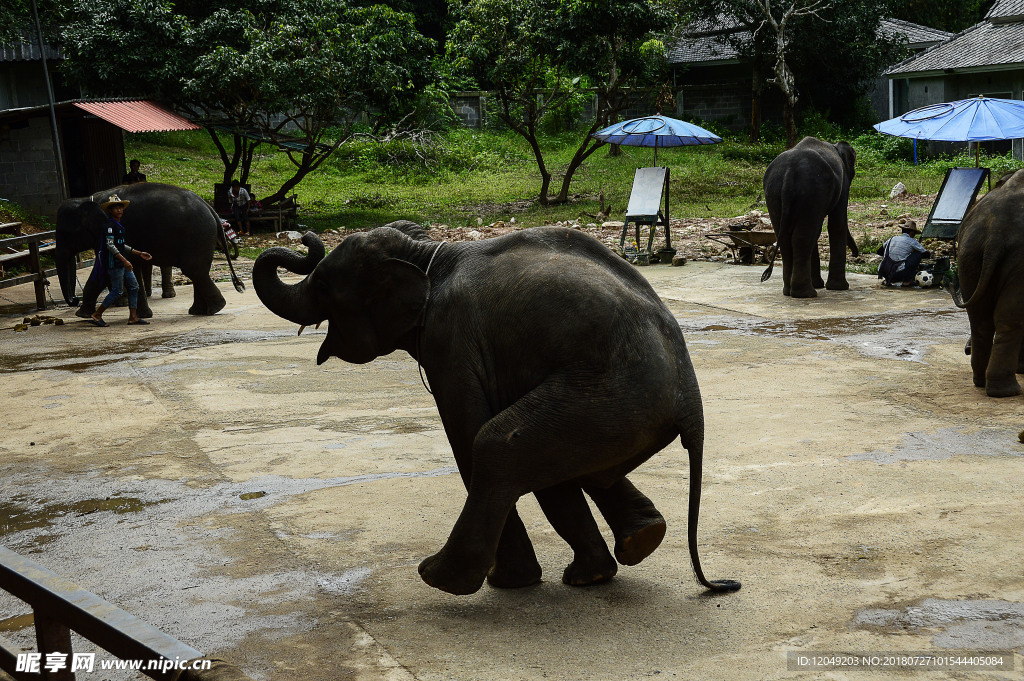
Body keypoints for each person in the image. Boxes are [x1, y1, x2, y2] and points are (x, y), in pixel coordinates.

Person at [89, 194, 153, 327]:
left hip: (122, 263)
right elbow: (110, 245)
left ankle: (133, 317)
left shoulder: (118, 225)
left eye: (120, 207)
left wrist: (138, 253)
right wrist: (125, 261)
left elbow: (120, 245)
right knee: (117, 291)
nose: (119, 210)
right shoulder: (109, 226)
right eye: (115, 208)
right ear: (110, 210)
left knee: (134, 287)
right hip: (115, 264)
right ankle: (97, 314)